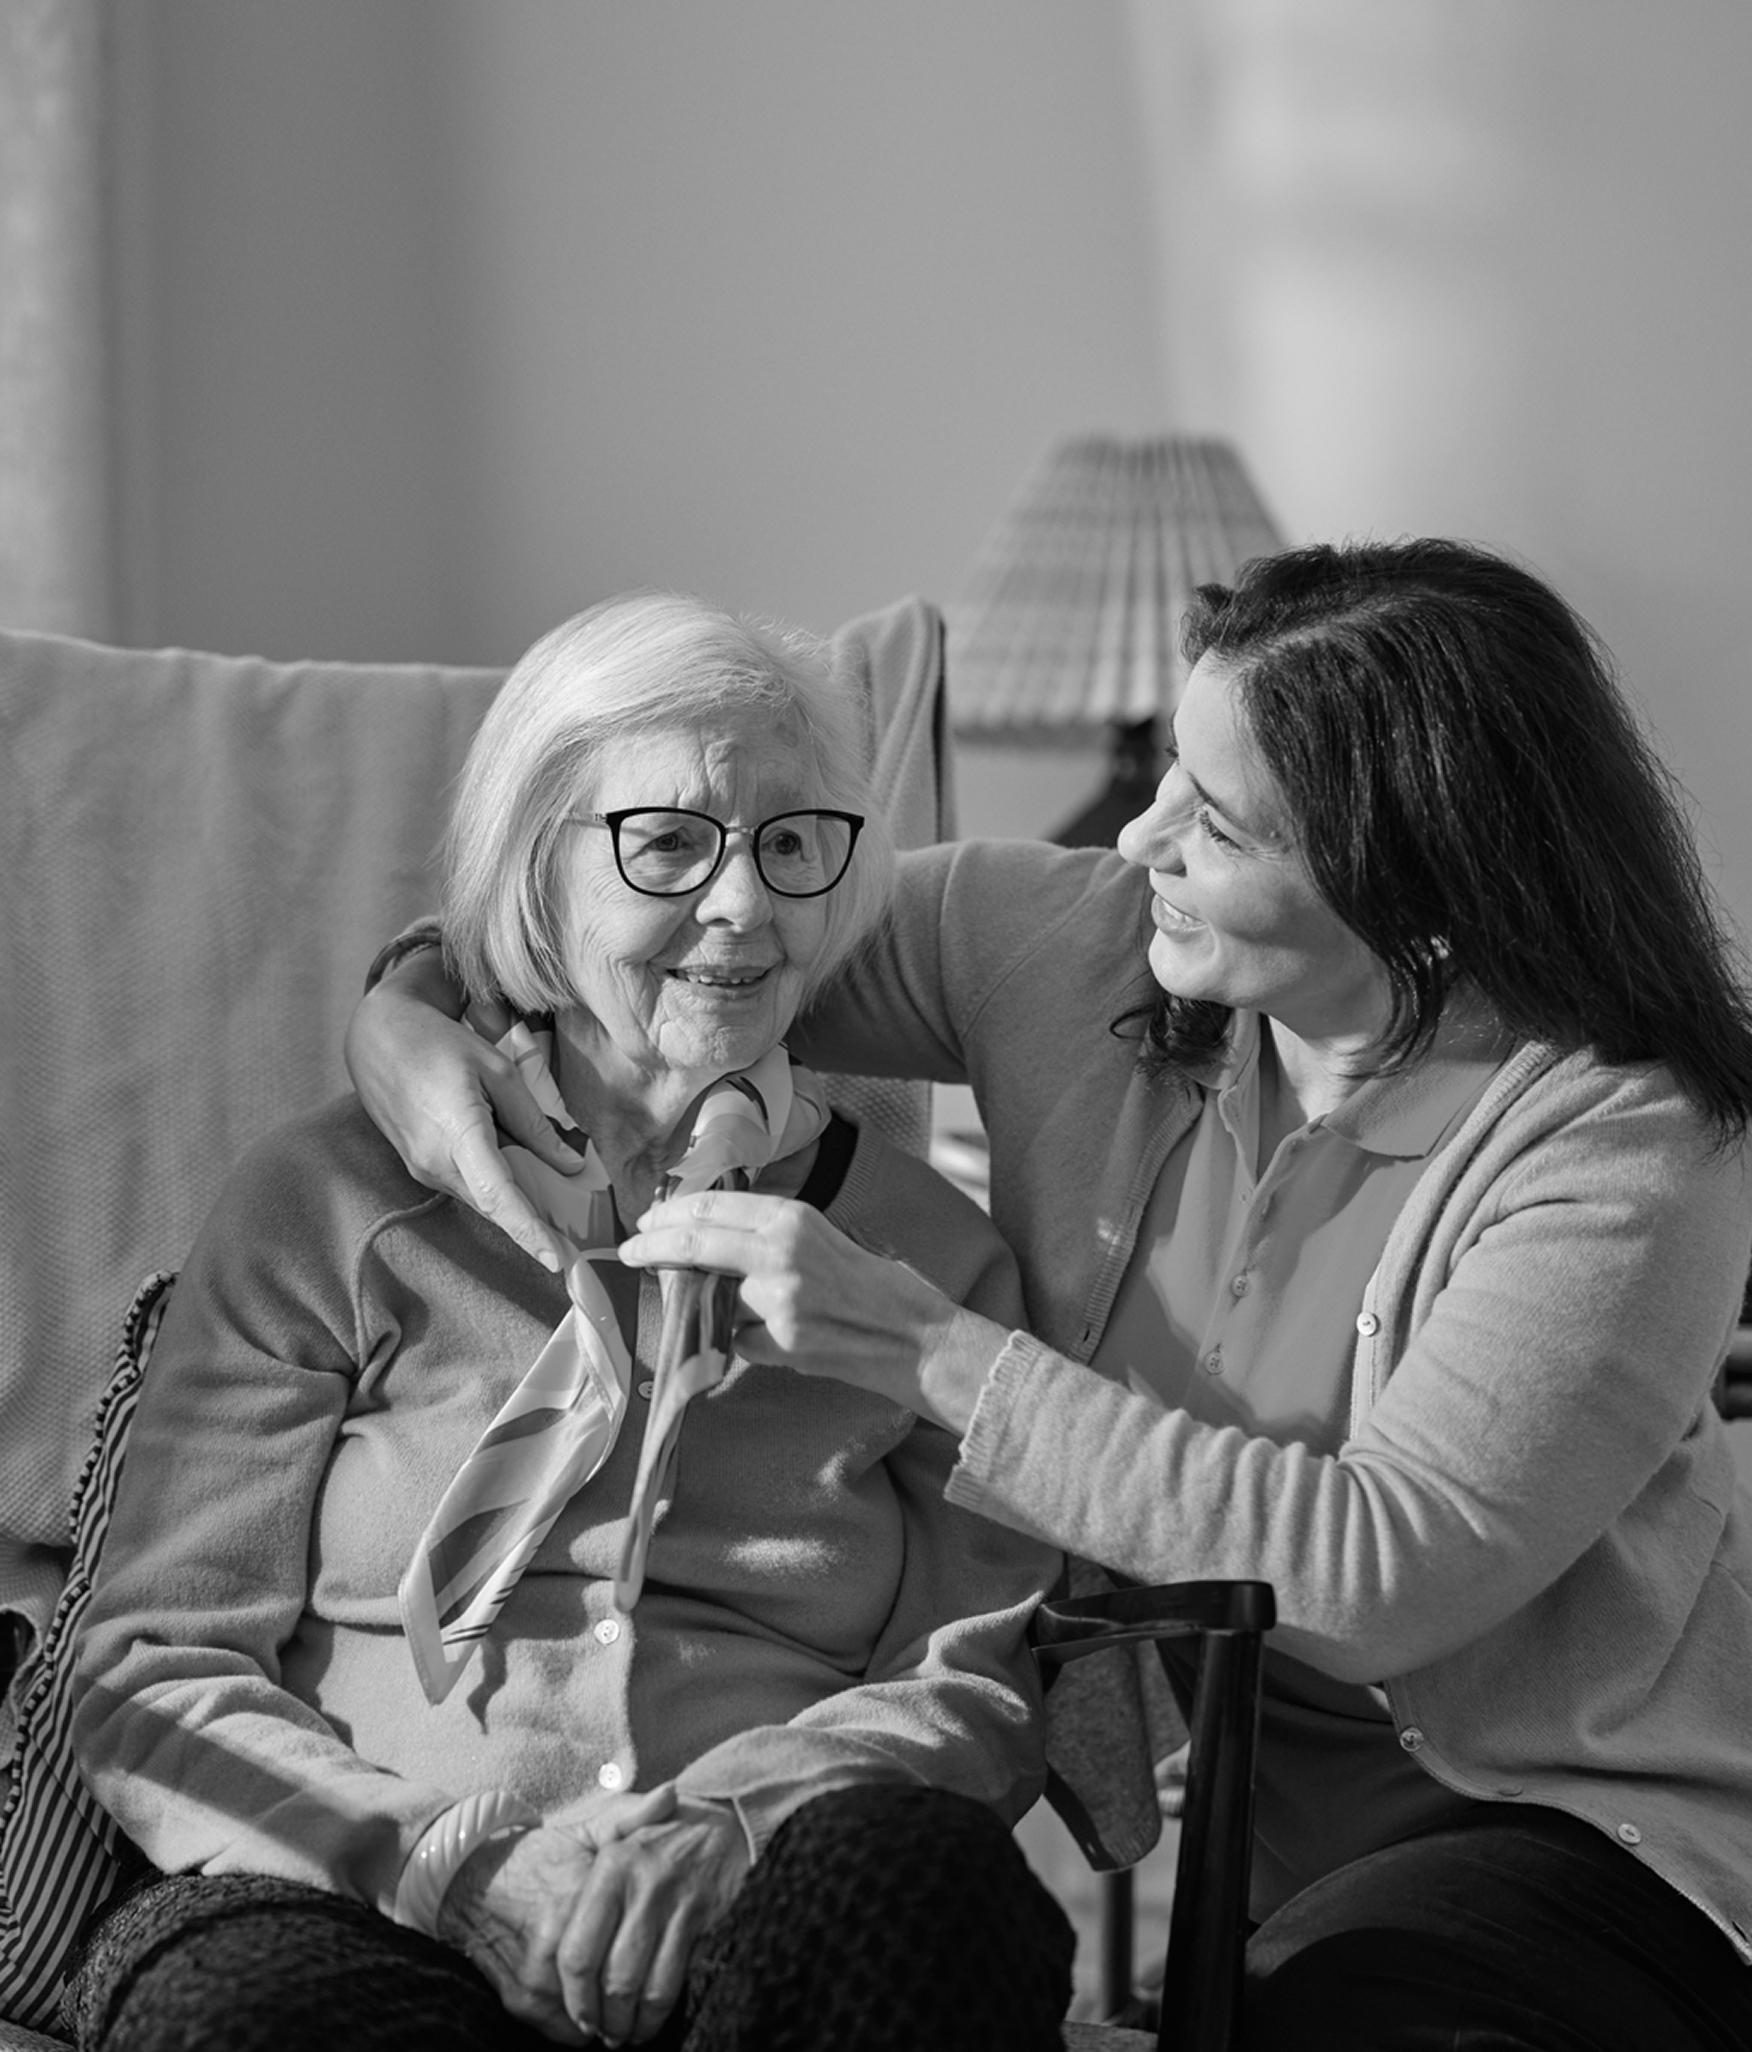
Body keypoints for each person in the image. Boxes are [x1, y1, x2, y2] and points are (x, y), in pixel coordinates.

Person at [348, 540, 1752, 2051]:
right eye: (1164, 769)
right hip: (1234, 1861)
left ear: (1412, 884)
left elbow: (1373, 1577)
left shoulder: (1622, 1148)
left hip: (1571, 1839)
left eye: (1213, 822)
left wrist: (934, 1354)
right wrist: (412, 1004)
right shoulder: (1077, 943)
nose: (1141, 836)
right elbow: (690, 944)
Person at [68, 594, 1071, 2052]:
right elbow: (154, 1671)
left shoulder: (927, 1258)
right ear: (539, 872)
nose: (745, 907)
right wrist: (459, 1863)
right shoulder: (325, 1202)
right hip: (368, 1896)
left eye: (790, 844)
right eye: (668, 843)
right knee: (233, 2012)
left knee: (933, 1885)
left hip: (762, 1903)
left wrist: (738, 1823)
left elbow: (974, 1680)